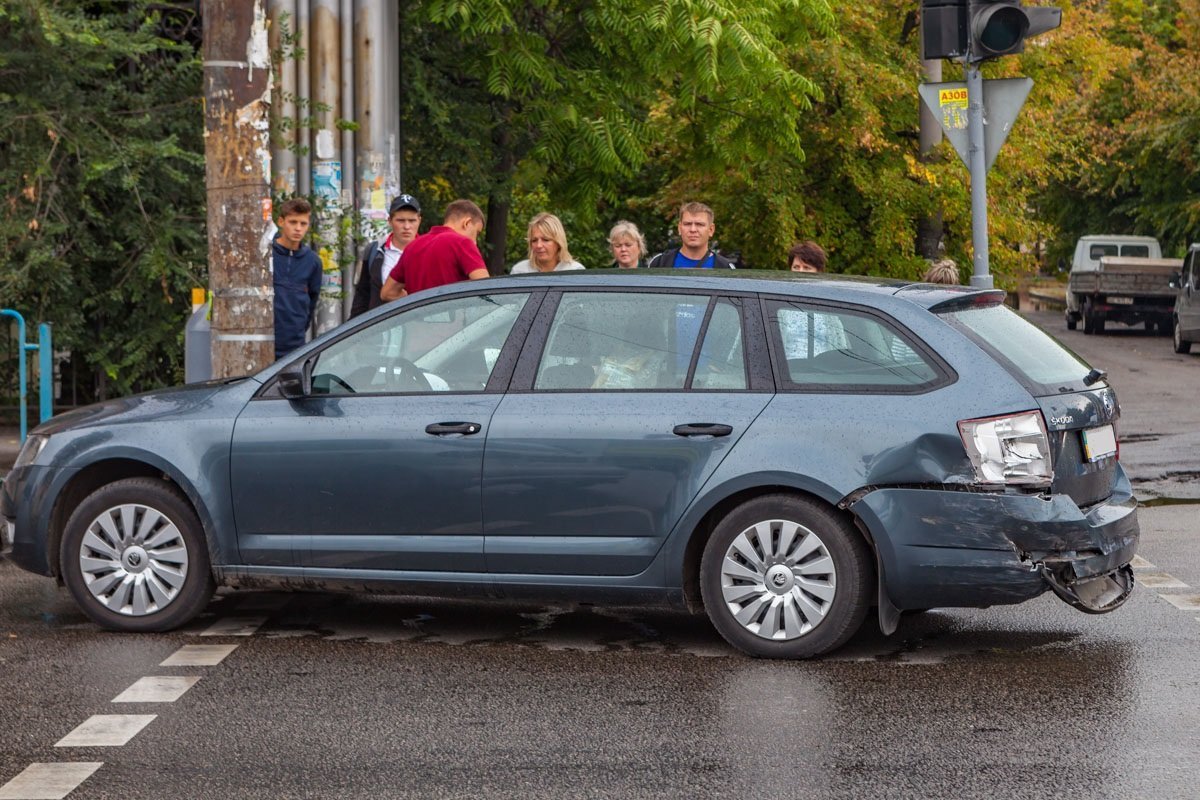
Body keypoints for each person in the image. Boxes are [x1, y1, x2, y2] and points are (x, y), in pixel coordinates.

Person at [380, 199, 489, 301]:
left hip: (416, 319)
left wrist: (417, 301)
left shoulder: (412, 247)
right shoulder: (462, 243)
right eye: (477, 233)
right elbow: (486, 288)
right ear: (467, 223)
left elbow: (387, 292)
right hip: (454, 319)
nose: (475, 242)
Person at [350, 194, 421, 318]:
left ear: (419, 220)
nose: (407, 227)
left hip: (416, 325)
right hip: (379, 328)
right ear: (390, 221)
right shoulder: (374, 250)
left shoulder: (428, 251)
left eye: (412, 220)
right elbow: (363, 294)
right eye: (400, 220)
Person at [271, 197, 323, 360]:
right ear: (281, 221)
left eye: (303, 224)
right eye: (293, 222)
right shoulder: (265, 255)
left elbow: (312, 301)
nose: (298, 229)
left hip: (294, 345)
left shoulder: (313, 262)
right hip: (263, 338)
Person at [646, 202, 735, 269]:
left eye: (699, 224)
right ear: (680, 228)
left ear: (711, 230)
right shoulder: (660, 263)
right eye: (687, 224)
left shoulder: (725, 268)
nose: (693, 230)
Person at [510, 213, 585, 273]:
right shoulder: (519, 271)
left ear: (558, 242)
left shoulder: (575, 271)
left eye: (545, 240)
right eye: (534, 240)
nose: (539, 245)